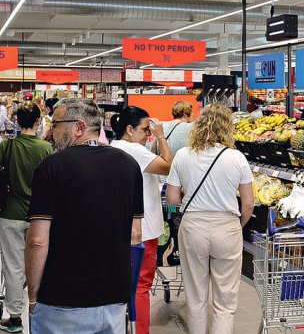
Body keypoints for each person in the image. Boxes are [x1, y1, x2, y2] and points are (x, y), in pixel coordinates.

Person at [26, 98, 144, 334]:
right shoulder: (129, 165)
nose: (52, 131)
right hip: (114, 298)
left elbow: (37, 241)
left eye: (56, 124)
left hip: (63, 300)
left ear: (78, 127)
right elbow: (135, 234)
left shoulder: (51, 167)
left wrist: (32, 295)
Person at [166, 104, 255, 334]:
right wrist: (238, 225)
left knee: (196, 296)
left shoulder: (183, 155)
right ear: (227, 127)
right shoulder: (237, 158)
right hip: (227, 226)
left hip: (193, 226)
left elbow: (173, 199)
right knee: (225, 299)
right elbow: (248, 204)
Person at [0, 101, 53, 333]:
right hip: (40, 218)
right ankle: (40, 312)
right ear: (38, 121)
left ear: (17, 121)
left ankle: (15, 318)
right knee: (40, 265)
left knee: (12, 266)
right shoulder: (46, 148)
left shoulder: (7, 147)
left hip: (11, 215)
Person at [109, 106, 173, 334]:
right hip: (143, 230)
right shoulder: (134, 150)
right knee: (141, 285)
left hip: (118, 228)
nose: (148, 134)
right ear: (129, 129)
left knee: (122, 283)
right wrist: (162, 136)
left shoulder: (113, 147)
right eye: (145, 129)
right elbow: (168, 166)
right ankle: (140, 330)